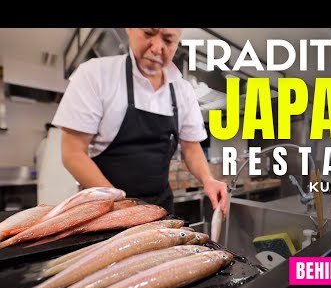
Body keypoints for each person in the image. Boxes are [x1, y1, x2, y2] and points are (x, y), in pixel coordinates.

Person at [52, 28, 227, 214]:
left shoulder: (182, 90)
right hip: (106, 210)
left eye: (168, 40)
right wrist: (121, 207)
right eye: (148, 33)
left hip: (160, 208)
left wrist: (208, 179)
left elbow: (191, 147)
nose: (157, 47)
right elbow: (73, 153)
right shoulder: (95, 74)